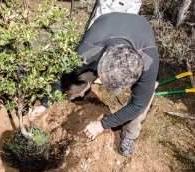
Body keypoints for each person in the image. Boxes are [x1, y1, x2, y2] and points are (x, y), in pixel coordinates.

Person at [28, 12, 159, 157]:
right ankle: (80, 89)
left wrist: (103, 124)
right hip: (107, 25)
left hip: (140, 31)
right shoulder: (88, 50)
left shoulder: (148, 62)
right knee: (74, 86)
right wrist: (45, 103)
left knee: (147, 93)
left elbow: (137, 105)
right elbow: (62, 75)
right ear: (102, 57)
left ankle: (130, 134)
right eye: (102, 79)